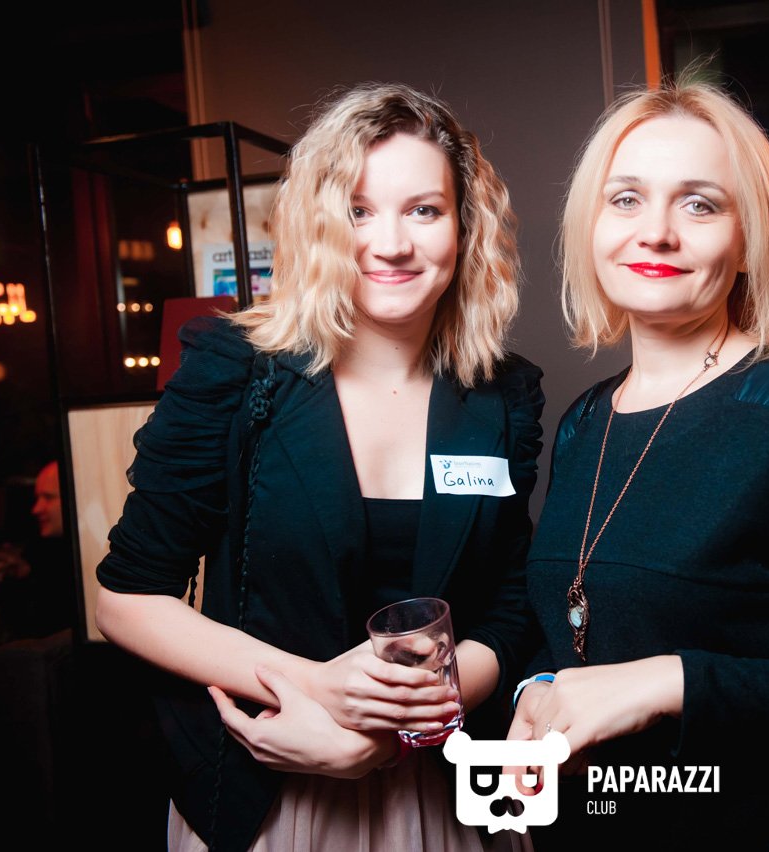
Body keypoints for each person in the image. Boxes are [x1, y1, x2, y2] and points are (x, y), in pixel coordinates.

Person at [95, 83, 544, 852]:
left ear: (465, 226)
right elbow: (128, 600)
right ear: (317, 223)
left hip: (442, 789)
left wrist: (400, 731)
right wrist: (318, 689)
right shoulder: (236, 369)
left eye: (424, 210)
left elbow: (507, 611)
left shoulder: (503, 396)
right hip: (266, 794)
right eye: (358, 211)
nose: (391, 244)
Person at [509, 80, 769, 846]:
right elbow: (582, 618)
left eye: (699, 205)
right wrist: (539, 689)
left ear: (747, 241)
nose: (656, 233)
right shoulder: (584, 423)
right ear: (591, 226)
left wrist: (668, 682)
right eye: (626, 199)